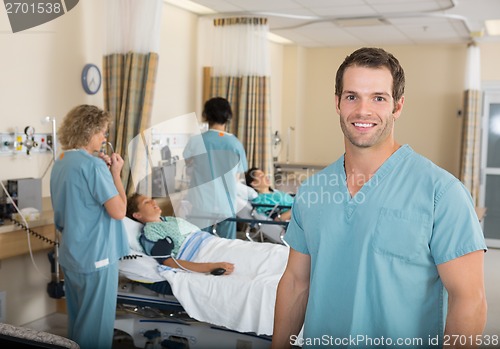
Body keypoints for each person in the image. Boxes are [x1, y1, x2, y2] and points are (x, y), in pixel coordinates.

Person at [272, 47, 487, 349]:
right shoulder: (311, 193)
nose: (362, 110)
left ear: (398, 106)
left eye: (378, 98)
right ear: (337, 103)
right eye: (352, 96)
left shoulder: (441, 193)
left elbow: (470, 299)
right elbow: (296, 283)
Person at [50, 105, 128, 349]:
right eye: (102, 132)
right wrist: (115, 173)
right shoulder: (94, 167)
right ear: (89, 131)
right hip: (98, 258)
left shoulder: (61, 162)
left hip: (73, 256)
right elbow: (120, 211)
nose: (104, 138)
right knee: (95, 332)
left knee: (79, 323)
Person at [183, 97, 248, 239]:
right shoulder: (235, 144)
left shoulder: (195, 141)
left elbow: (188, 166)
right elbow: (238, 176)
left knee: (199, 245)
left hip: (201, 204)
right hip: (226, 205)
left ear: (205, 115)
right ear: (229, 116)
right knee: (227, 246)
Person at [126, 192, 234, 274]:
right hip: (203, 254)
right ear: (137, 215)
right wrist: (210, 267)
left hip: (215, 244)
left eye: (151, 200)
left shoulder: (168, 219)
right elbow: (168, 262)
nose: (153, 202)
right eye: (146, 202)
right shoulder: (151, 232)